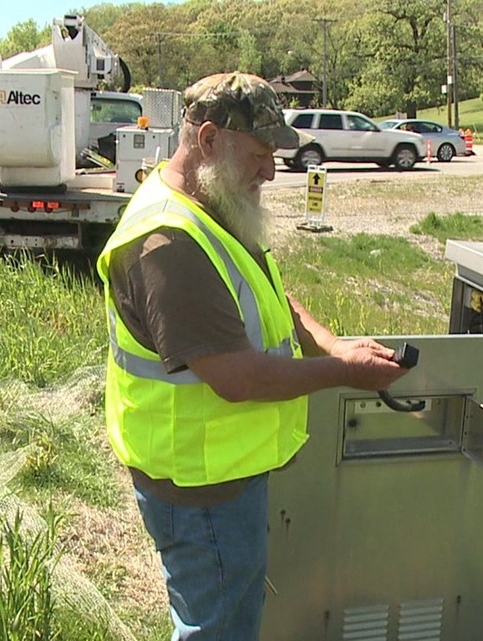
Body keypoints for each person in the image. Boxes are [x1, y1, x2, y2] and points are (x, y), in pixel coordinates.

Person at [95, 72, 409, 641]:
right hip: (199, 487)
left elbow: (267, 291)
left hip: (223, 473)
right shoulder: (169, 243)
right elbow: (235, 377)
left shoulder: (212, 202)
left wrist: (330, 342)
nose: (271, 170)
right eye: (261, 154)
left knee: (227, 616)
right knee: (216, 629)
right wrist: (342, 371)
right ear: (209, 140)